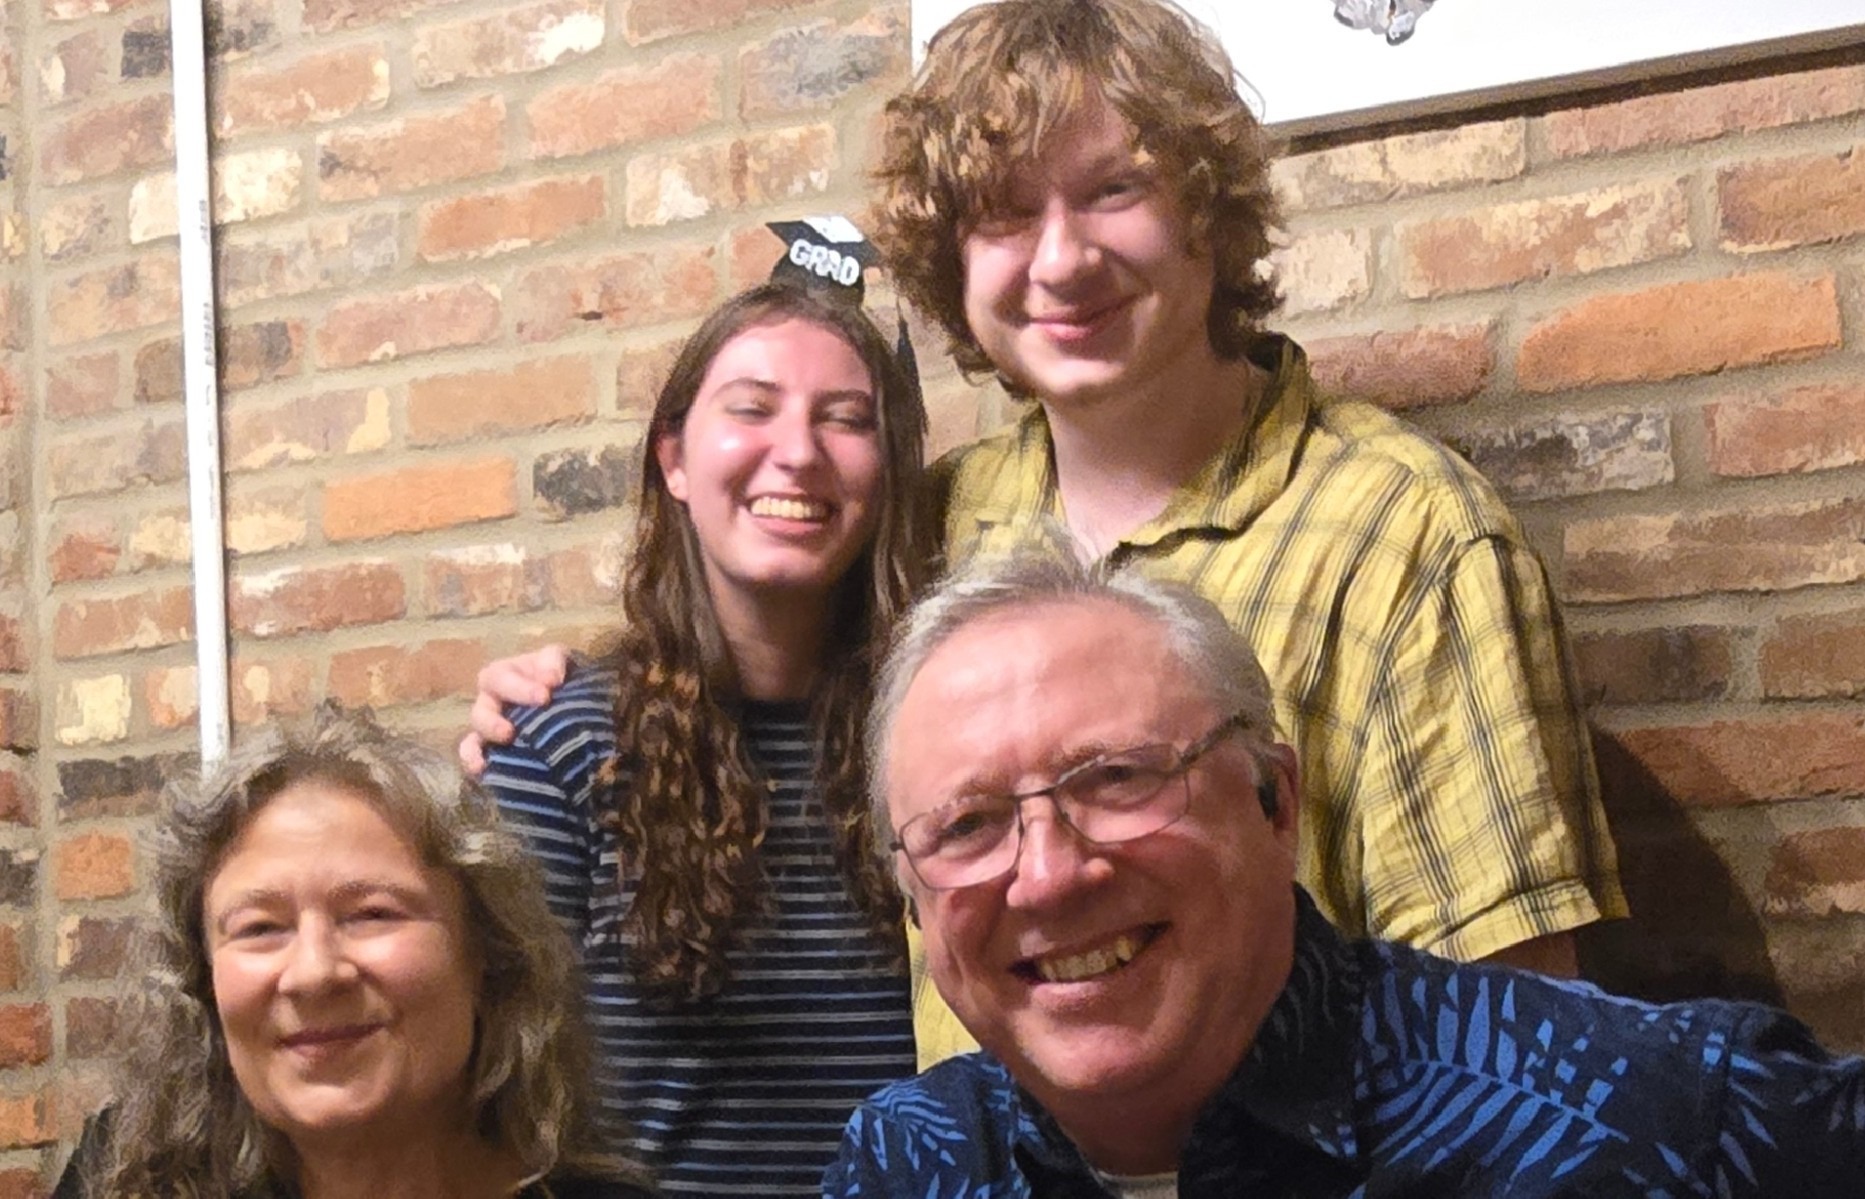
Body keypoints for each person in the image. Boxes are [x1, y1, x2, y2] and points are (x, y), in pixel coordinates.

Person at [464, 0, 1624, 1064]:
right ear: (953, 262)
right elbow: (748, 662)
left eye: (1112, 189)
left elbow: (1509, 1049)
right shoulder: (930, 529)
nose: (1060, 260)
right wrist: (569, 691)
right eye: (1006, 214)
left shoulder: (1403, 535)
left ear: (1206, 215)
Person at [828, 553, 1865, 1197]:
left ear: (1274, 800)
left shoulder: (1655, 1113)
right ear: (911, 895)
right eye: (966, 824)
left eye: (1117, 778)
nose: (1048, 875)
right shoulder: (908, 1160)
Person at [479, 280, 924, 1196]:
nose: (797, 451)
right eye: (752, 408)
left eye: (845, 419)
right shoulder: (559, 745)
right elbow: (492, 1089)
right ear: (674, 459)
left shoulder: (933, 742)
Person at [53, 706, 651, 1199]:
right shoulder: (124, 1179)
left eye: (371, 914)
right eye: (260, 928)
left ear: (487, 955)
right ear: (202, 980)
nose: (314, 973)